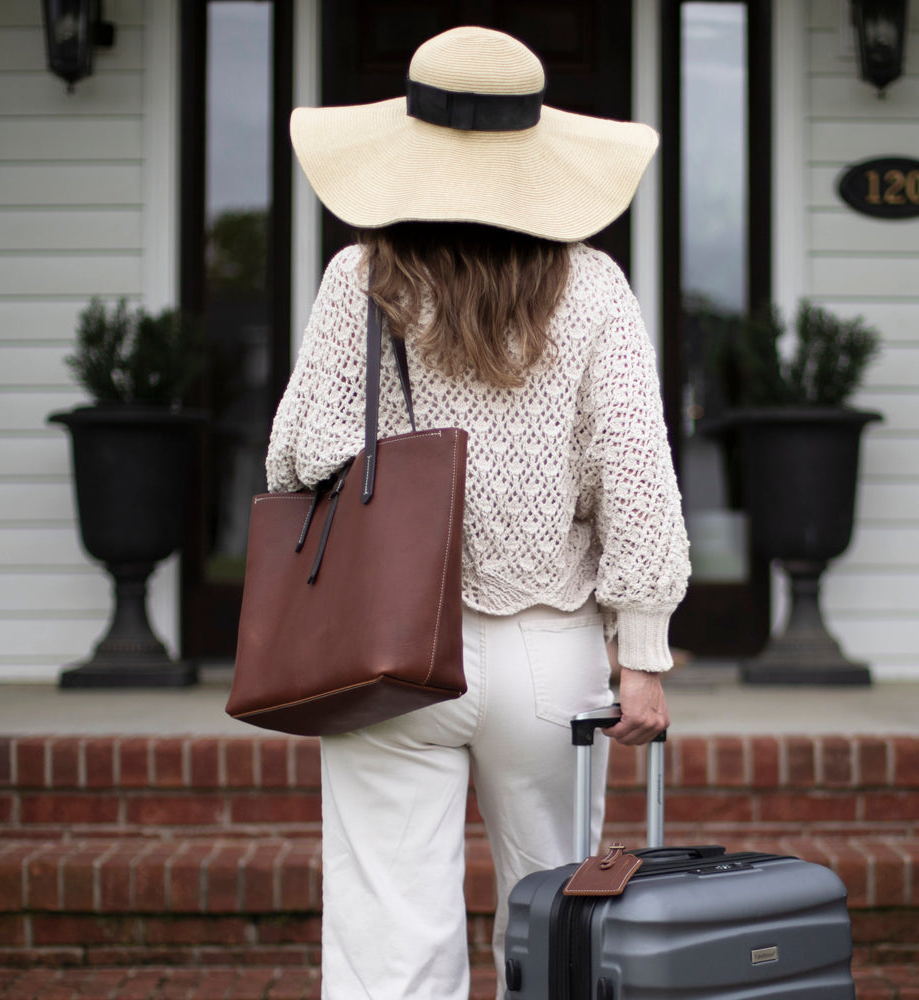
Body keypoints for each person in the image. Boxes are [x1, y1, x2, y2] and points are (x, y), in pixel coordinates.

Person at [267, 26, 690, 1000]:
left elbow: (294, 459)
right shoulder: (591, 287)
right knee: (554, 932)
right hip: (551, 657)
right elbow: (638, 478)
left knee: (389, 936)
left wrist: (408, 467)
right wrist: (644, 653)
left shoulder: (360, 279)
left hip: (388, 647)